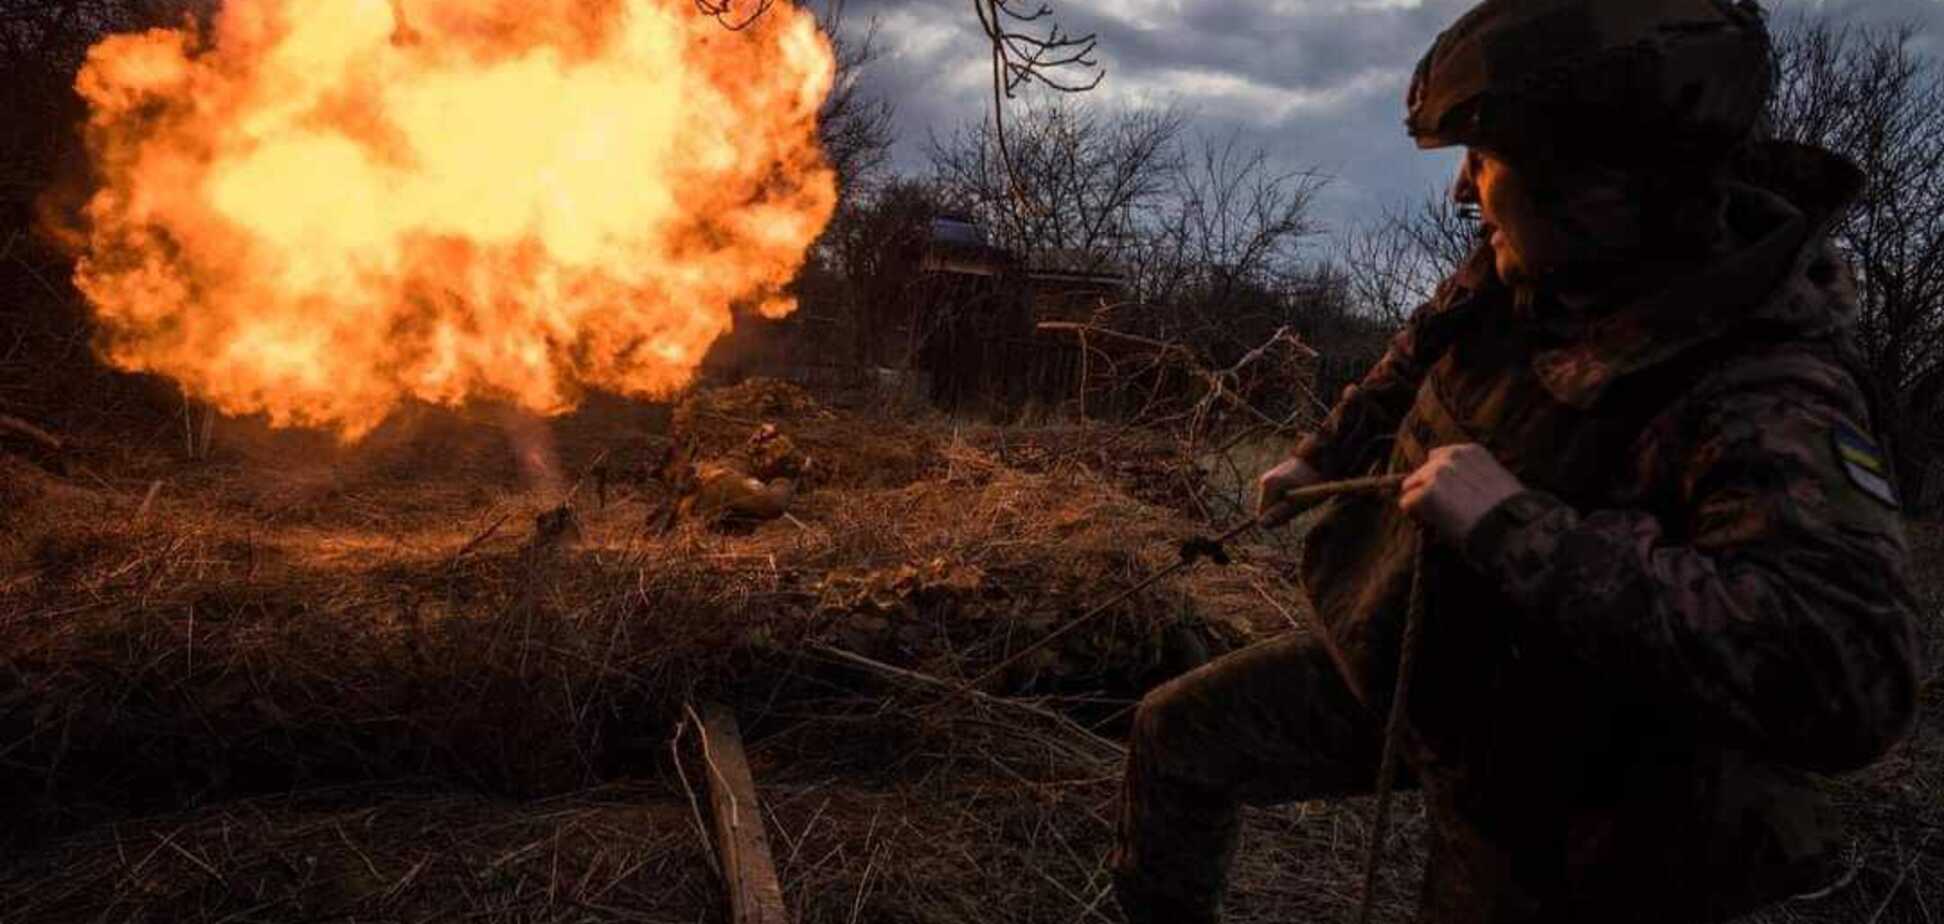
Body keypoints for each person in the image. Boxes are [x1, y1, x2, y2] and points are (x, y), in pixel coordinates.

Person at [1109, 0, 1925, 921]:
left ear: (1598, 188)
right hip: (1424, 673)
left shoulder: (1767, 389)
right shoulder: (1530, 264)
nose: (1464, 190)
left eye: (1488, 161)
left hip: (1580, 799)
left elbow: (1849, 679)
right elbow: (1421, 348)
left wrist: (1519, 530)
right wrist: (1321, 453)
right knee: (1176, 733)